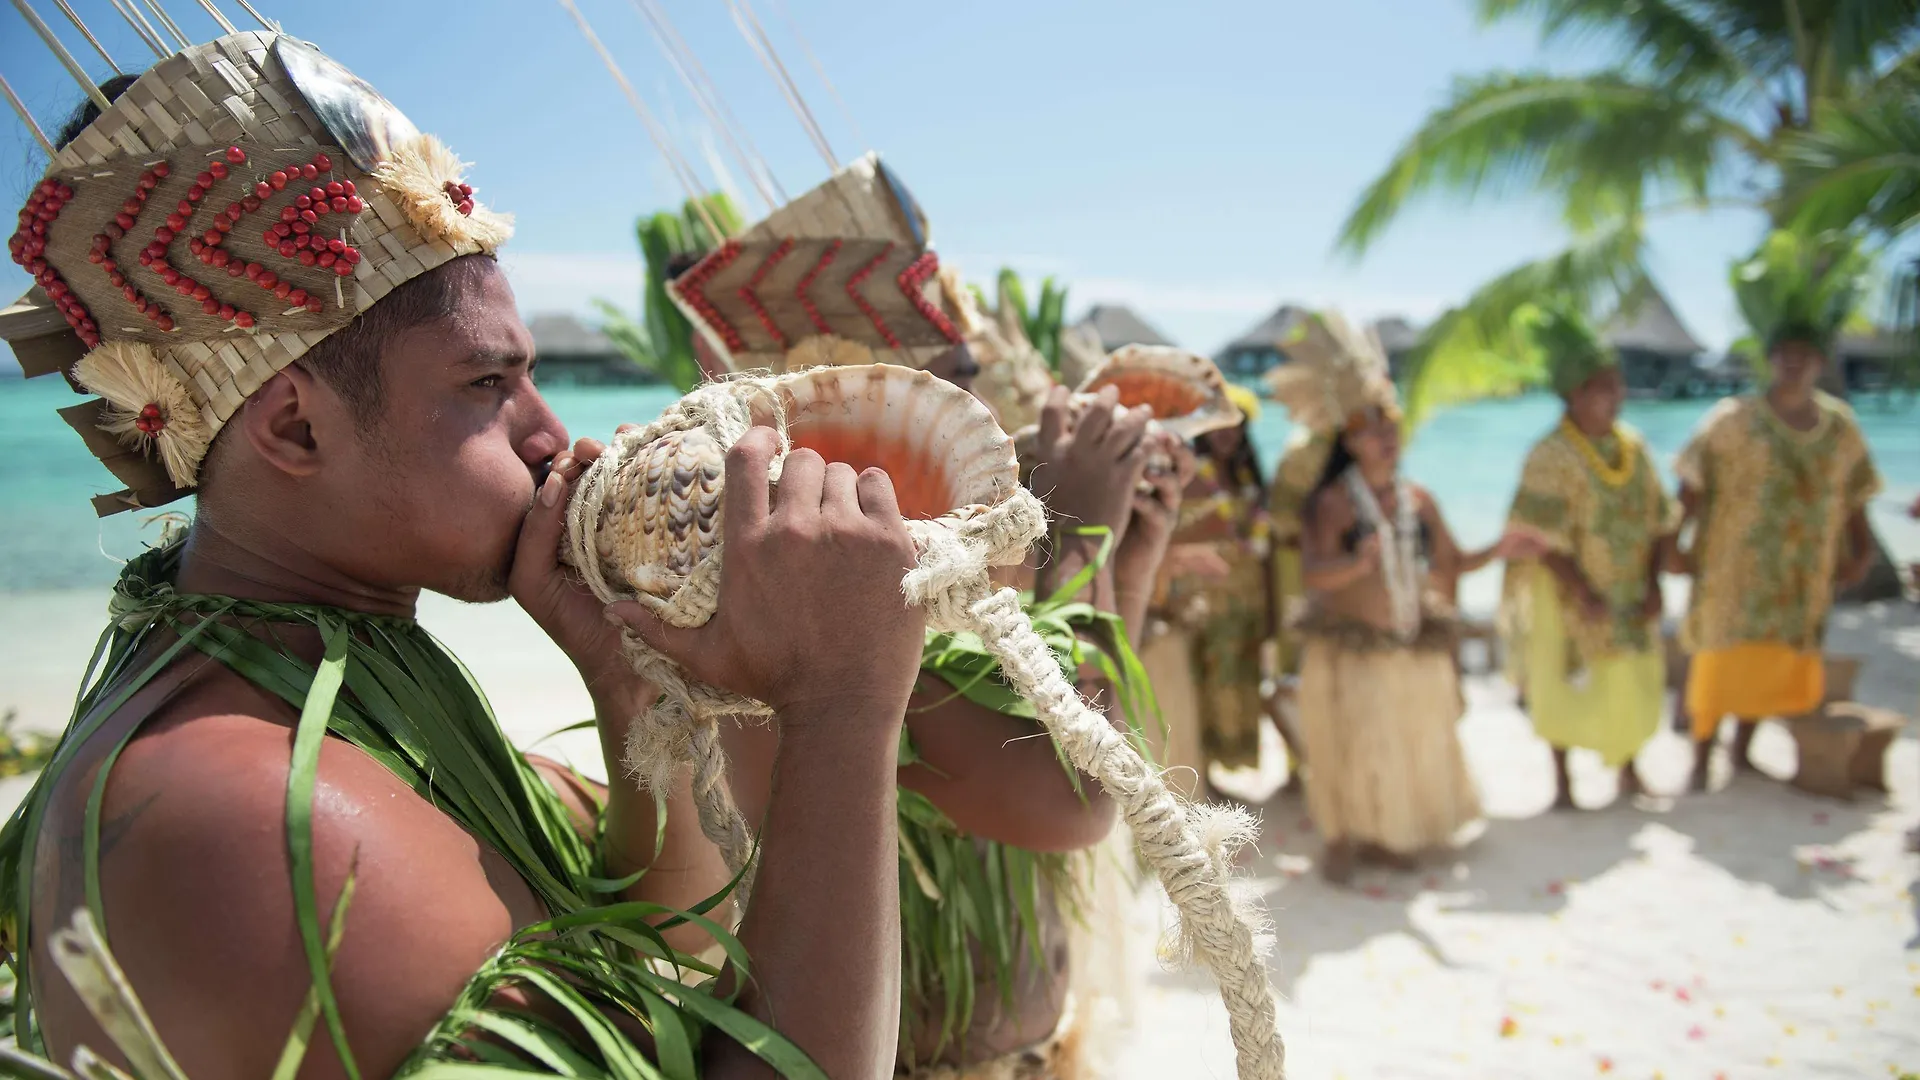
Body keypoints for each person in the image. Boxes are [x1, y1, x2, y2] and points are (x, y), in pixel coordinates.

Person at [0, 39, 917, 1077]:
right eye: (488, 385)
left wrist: (631, 694)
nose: (551, 433)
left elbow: (671, 965)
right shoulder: (258, 817)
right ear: (295, 431)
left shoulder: (362, 716)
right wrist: (844, 707)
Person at [665, 158, 1176, 1077]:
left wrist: (1124, 561)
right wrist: (1086, 530)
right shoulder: (840, 620)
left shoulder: (905, 592)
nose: (1000, 413)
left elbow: (1090, 729)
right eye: (964, 377)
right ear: (879, 412)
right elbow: (1077, 799)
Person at [1268, 312, 1537, 884]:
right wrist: (1355, 565)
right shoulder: (1333, 504)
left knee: (1395, 747)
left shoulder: (1419, 498)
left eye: (1392, 426)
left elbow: (1451, 566)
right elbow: (1315, 575)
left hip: (1408, 644)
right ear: (1348, 439)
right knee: (1348, 746)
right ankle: (1341, 839)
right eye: (1372, 428)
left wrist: (1501, 549)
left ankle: (1387, 835)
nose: (1387, 437)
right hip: (1350, 649)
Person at [1675, 330, 1881, 791]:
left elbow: (1856, 496)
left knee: (1773, 663)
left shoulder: (1841, 426)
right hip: (1733, 571)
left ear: (1820, 362)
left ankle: (1742, 751)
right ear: (1769, 359)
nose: (1793, 363)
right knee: (1720, 661)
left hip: (1801, 574)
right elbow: (1690, 487)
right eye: (1784, 354)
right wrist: (1673, 544)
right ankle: (1701, 759)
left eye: (1804, 355)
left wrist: (1861, 550)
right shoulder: (1732, 420)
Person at [1501, 307, 1675, 809]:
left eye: (1618, 387)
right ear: (1573, 395)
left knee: (1627, 678)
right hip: (1564, 593)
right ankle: (1563, 784)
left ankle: (1627, 769)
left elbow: (1662, 518)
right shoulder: (1549, 455)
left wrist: (1656, 582)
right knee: (1563, 683)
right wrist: (1580, 589)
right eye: (1604, 388)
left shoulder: (1635, 447)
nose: (1616, 397)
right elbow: (1535, 537)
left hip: (1629, 586)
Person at [1144, 384, 1278, 793]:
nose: (1227, 434)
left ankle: (1224, 767)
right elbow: (1163, 534)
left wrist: (1273, 605)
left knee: (1240, 685)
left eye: (1236, 426)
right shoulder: (1185, 476)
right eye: (1221, 424)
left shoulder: (1246, 480)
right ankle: (1204, 775)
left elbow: (1264, 547)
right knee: (1200, 686)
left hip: (1246, 600)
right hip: (1199, 600)